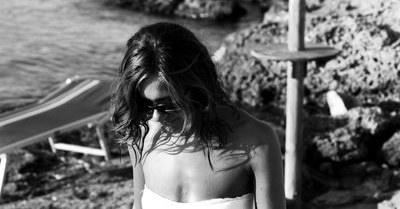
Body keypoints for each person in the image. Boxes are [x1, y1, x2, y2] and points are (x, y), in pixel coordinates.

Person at [112, 22, 286, 209]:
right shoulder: (140, 133)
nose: (155, 118)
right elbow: (138, 205)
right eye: (145, 105)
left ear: (197, 86)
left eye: (167, 105)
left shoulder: (257, 141)